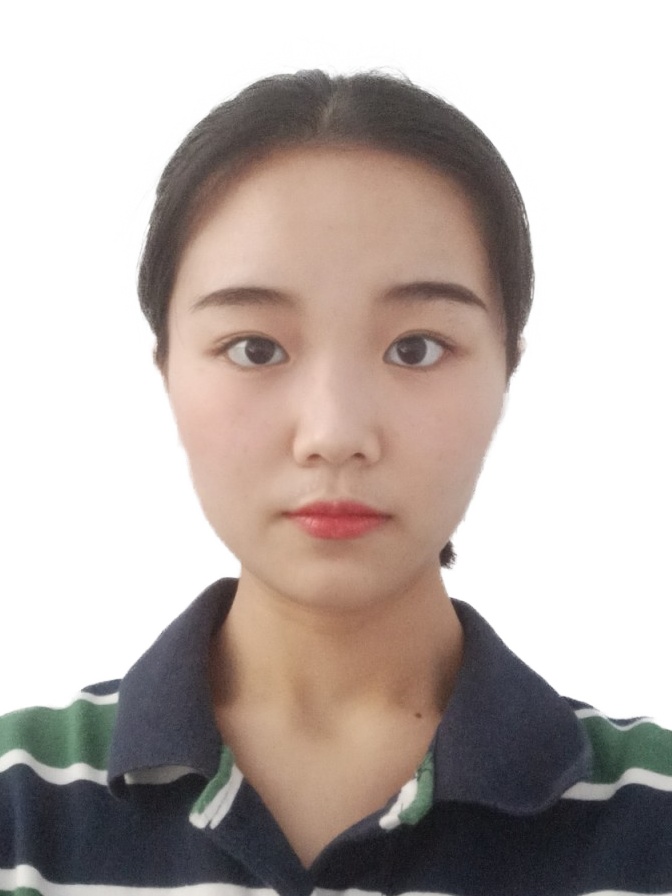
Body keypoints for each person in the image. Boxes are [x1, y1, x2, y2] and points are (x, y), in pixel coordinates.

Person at [1, 69, 670, 895]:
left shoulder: (653, 816)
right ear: (166, 368)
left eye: (416, 348)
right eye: (255, 348)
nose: (335, 435)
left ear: (507, 371)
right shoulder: (21, 805)